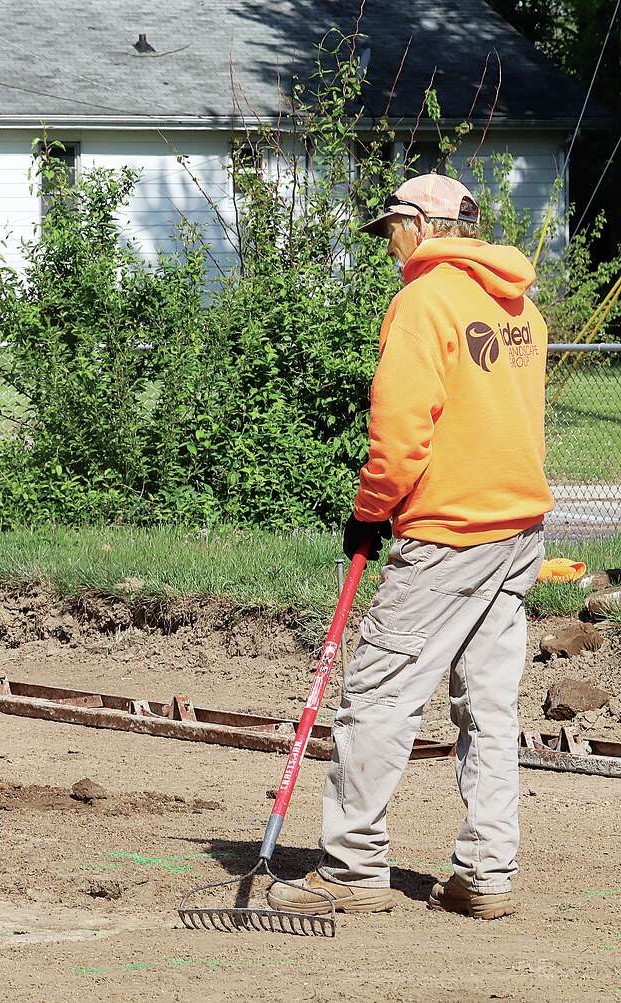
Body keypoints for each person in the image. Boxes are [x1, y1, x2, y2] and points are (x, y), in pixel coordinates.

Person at [269, 174, 551, 920]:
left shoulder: (423, 303)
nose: (389, 245)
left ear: (421, 224)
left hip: (448, 532)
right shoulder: (520, 303)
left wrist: (370, 513)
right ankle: (488, 871)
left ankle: (355, 864)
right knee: (488, 702)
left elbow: (399, 438)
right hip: (517, 531)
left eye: (392, 227)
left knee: (377, 695)